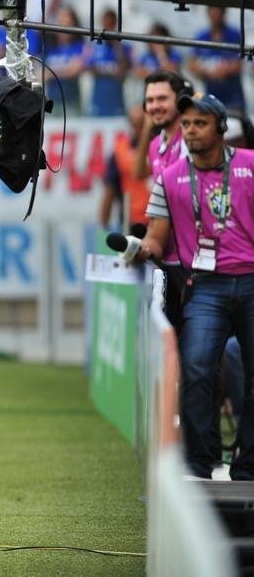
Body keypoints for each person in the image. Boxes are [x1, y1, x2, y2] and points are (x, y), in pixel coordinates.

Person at [134, 93, 254, 480]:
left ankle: (248, 465)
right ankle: (201, 464)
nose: (190, 131)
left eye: (199, 123)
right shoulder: (169, 178)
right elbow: (157, 236)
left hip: (252, 279)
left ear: (221, 128)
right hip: (205, 285)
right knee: (198, 368)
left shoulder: (251, 166)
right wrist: (142, 249)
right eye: (185, 124)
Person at [189, 7, 244, 110]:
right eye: (213, 11)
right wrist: (208, 72)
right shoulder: (202, 36)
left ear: (224, 13)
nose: (216, 15)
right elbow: (191, 64)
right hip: (209, 97)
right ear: (208, 13)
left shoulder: (234, 35)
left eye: (218, 11)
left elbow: (239, 65)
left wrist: (224, 71)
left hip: (233, 98)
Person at [84, 9, 131, 118]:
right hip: (98, 100)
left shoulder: (124, 47)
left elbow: (122, 71)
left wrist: (116, 44)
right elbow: (90, 69)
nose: (107, 28)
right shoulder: (94, 47)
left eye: (111, 24)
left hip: (117, 100)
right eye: (105, 24)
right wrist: (111, 71)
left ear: (115, 24)